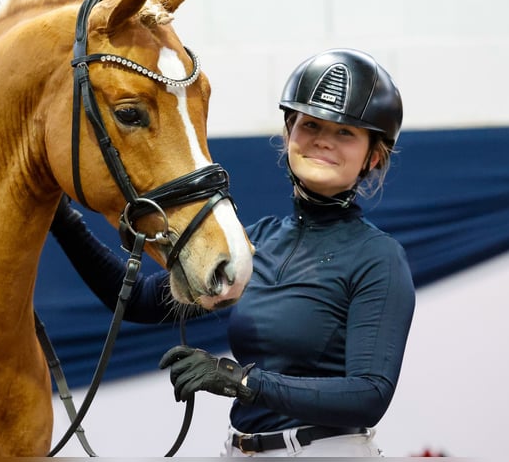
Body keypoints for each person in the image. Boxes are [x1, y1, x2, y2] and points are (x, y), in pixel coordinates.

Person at [50, 47, 416, 457]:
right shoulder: (254, 242)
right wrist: (65, 223)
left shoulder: (379, 258)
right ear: (289, 133)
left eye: (345, 132)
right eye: (310, 124)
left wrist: (242, 382)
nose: (322, 141)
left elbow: (369, 395)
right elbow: (139, 302)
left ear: (373, 156)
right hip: (239, 451)